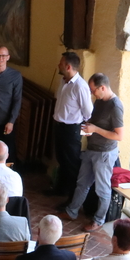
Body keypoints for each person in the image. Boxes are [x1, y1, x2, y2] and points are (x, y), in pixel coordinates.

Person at [63, 73, 124, 232]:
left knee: (102, 189)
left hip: (104, 154)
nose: (91, 93)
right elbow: (96, 122)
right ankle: (72, 211)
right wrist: (89, 127)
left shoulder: (115, 107)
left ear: (102, 87)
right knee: (82, 183)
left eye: (93, 90)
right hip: (92, 149)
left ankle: (98, 220)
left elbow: (119, 135)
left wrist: (95, 129)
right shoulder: (100, 101)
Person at [49, 51, 92, 200]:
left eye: (61, 63)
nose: (58, 65)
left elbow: (88, 112)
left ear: (68, 66)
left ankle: (72, 200)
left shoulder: (80, 86)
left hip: (71, 130)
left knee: (72, 164)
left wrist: (82, 131)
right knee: (61, 160)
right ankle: (60, 189)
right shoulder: (63, 81)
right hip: (59, 126)